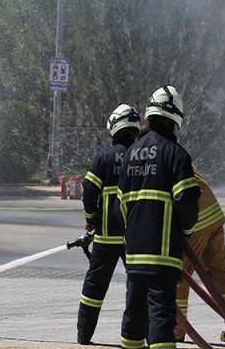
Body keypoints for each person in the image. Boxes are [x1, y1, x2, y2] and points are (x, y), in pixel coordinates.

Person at [118, 85, 200, 349]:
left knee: (133, 318)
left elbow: (122, 204)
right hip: (162, 255)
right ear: (176, 117)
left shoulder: (131, 153)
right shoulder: (176, 155)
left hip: (133, 255)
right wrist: (186, 232)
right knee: (161, 321)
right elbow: (187, 202)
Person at [76, 104, 141, 345]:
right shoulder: (141, 156)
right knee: (137, 288)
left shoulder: (103, 157)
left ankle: (84, 336)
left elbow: (89, 190)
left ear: (113, 128)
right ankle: (138, 338)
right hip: (134, 238)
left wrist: (91, 218)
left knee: (94, 288)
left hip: (105, 236)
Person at [173, 165, 225, 343]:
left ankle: (176, 329)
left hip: (195, 219)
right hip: (213, 213)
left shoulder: (148, 158)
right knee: (220, 271)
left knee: (180, 275)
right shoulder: (176, 153)